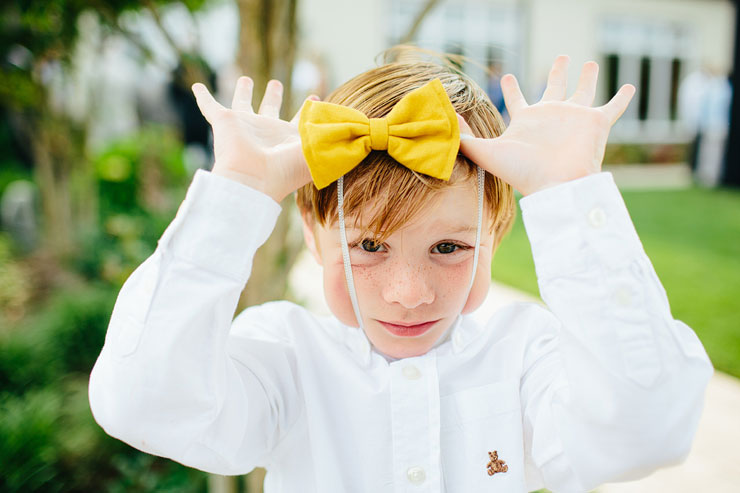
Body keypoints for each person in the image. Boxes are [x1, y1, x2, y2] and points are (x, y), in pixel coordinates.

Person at [88, 48, 712, 492]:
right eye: (367, 246)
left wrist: (571, 198)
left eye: (449, 248)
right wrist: (236, 195)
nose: (408, 295)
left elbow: (645, 426)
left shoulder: (525, 355)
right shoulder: (283, 354)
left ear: (495, 232)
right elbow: (144, 403)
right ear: (312, 233)